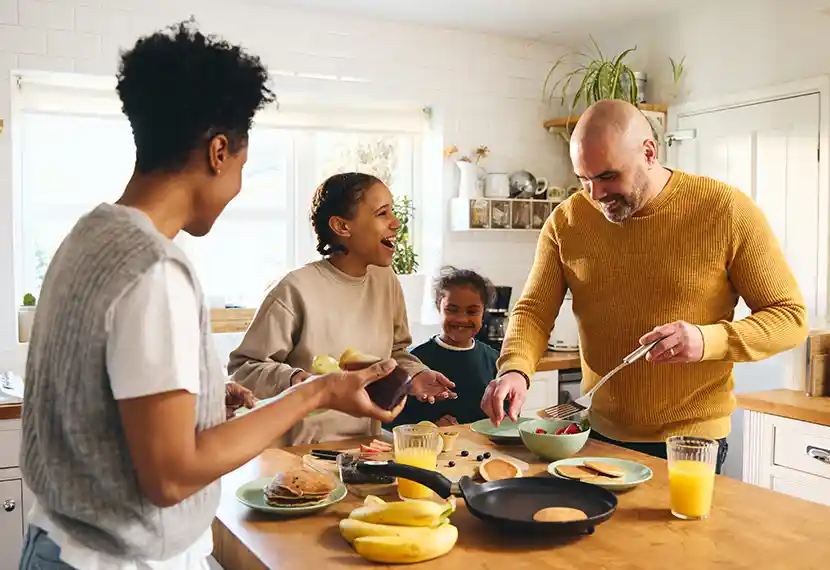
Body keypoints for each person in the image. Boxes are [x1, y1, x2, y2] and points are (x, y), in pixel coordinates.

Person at [19, 21, 407, 570]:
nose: (239, 186)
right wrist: (317, 392)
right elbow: (172, 476)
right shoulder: (156, 269)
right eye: (243, 166)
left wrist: (201, 402)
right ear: (218, 152)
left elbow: (100, 400)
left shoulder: (88, 236)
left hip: (55, 542)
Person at [480, 99, 809, 473]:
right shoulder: (567, 220)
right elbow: (534, 311)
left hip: (689, 442)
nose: (595, 194)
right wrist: (515, 369)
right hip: (597, 434)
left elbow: (790, 318)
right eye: (584, 179)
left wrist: (706, 340)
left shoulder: (725, 210)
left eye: (607, 176)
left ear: (649, 153)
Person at [228, 172, 455, 445]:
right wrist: (299, 380)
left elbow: (395, 352)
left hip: (366, 446)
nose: (396, 223)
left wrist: (414, 374)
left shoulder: (386, 281)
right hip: (302, 451)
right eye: (382, 213)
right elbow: (244, 370)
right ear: (341, 226)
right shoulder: (294, 288)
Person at [387, 266, 499, 428]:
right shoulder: (414, 363)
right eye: (452, 310)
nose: (462, 319)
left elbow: (504, 417)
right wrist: (429, 427)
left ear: (484, 311)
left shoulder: (494, 360)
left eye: (472, 311)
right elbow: (393, 418)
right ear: (438, 306)